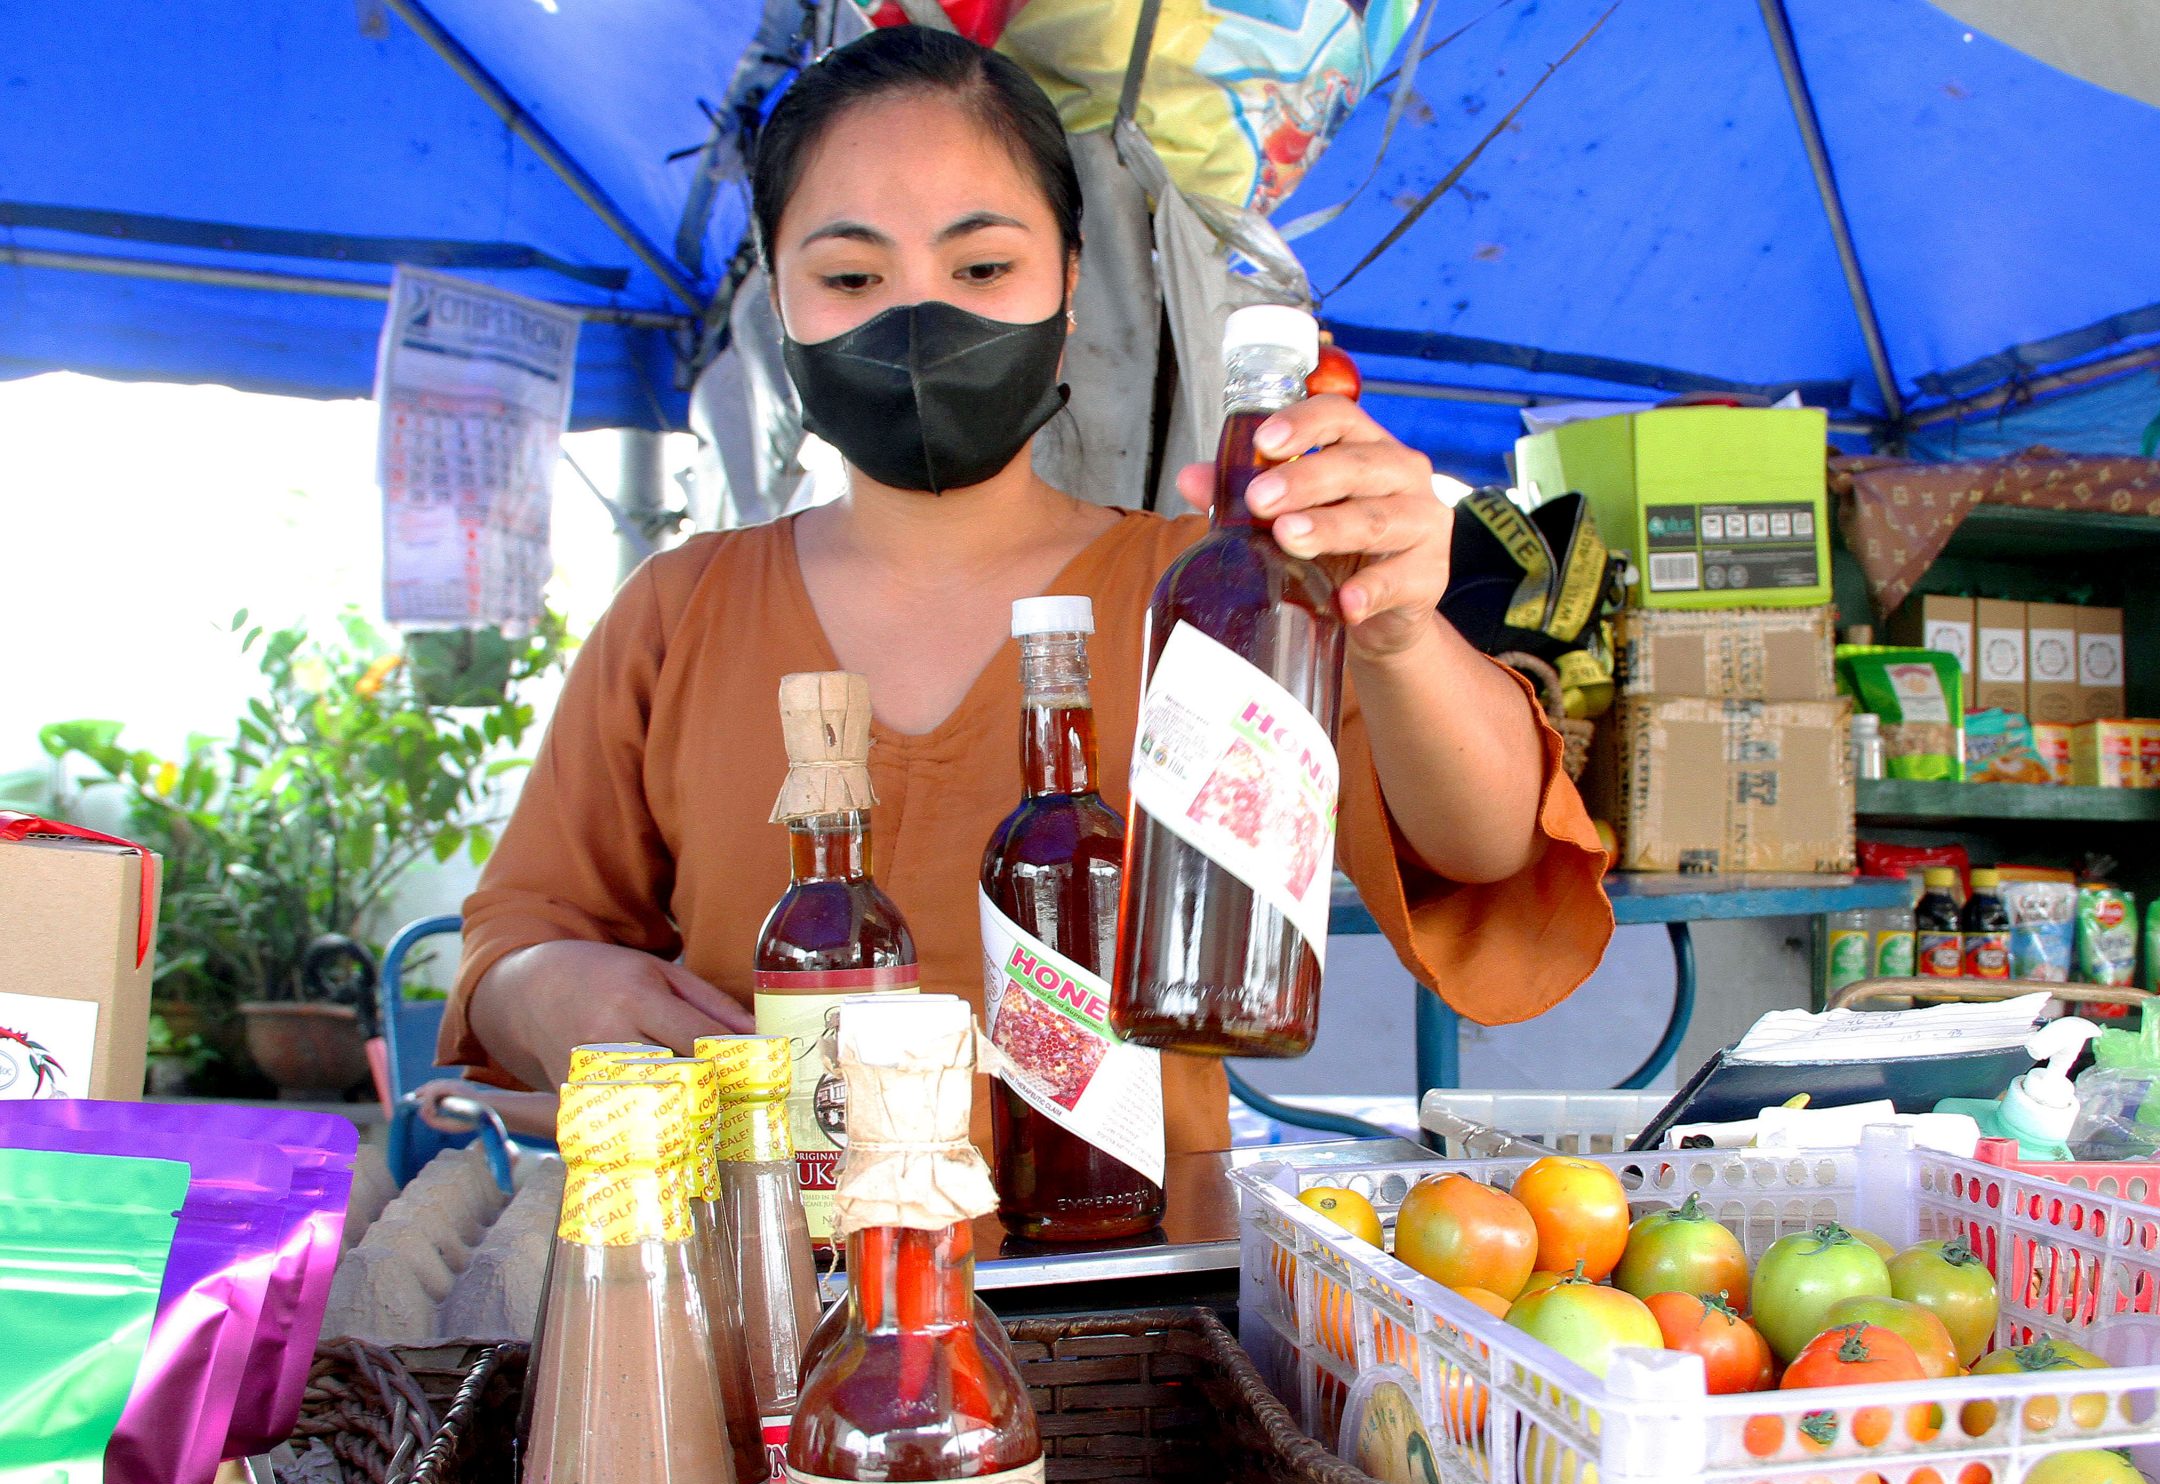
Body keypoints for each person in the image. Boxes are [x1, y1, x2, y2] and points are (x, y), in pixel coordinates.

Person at [439, 26, 1612, 1155]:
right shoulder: (676, 611)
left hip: (1127, 1290)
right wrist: (547, 990)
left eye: (983, 265)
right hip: (756, 1298)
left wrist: (1399, 629)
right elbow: (516, 936)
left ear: (1067, 290)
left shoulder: (1220, 596)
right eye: (850, 273)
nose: (916, 317)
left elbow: (1488, 851)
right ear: (779, 312)